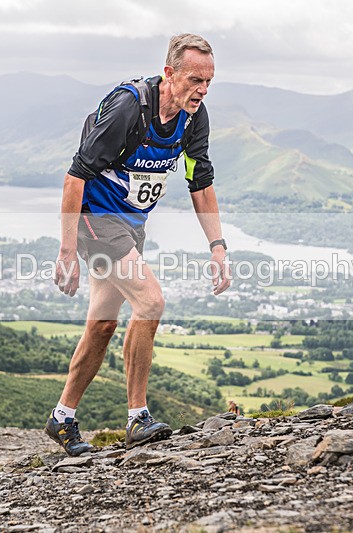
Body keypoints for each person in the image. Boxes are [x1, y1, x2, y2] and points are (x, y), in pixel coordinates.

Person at [45, 33, 231, 456]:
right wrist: (67, 251)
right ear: (169, 73)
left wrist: (218, 246)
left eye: (209, 81)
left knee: (103, 324)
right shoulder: (130, 107)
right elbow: (75, 176)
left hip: (131, 225)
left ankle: (62, 417)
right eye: (195, 80)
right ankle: (137, 417)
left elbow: (200, 182)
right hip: (95, 220)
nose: (202, 90)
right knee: (150, 302)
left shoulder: (193, 118)